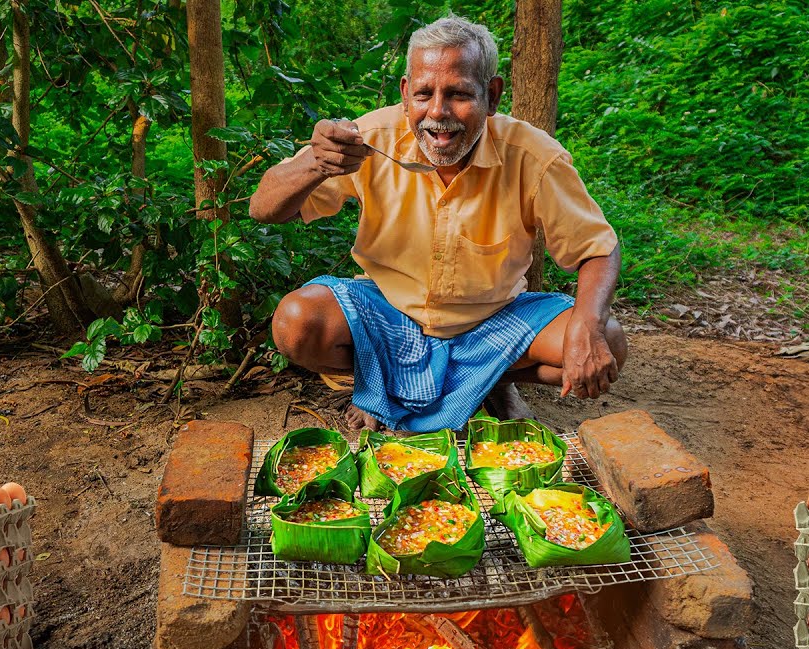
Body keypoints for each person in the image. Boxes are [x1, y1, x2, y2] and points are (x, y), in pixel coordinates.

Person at [249, 15, 626, 432]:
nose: (438, 113)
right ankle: (386, 382)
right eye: (424, 93)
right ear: (406, 93)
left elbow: (598, 248)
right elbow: (264, 208)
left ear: (493, 95)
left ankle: (492, 380)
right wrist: (314, 165)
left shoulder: (533, 157)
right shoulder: (370, 138)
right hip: (387, 316)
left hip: (494, 323)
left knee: (606, 338)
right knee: (296, 322)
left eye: (460, 94)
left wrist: (586, 327)